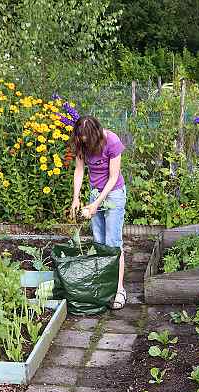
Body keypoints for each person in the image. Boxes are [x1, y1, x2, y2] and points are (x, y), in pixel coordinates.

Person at [68, 115, 127, 309]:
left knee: (113, 242)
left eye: (87, 140)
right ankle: (104, 286)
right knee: (99, 242)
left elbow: (113, 177)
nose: (84, 143)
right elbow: (79, 171)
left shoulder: (112, 141)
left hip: (113, 194)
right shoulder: (82, 141)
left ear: (95, 135)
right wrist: (76, 198)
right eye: (81, 139)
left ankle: (118, 290)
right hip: (95, 193)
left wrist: (95, 205)